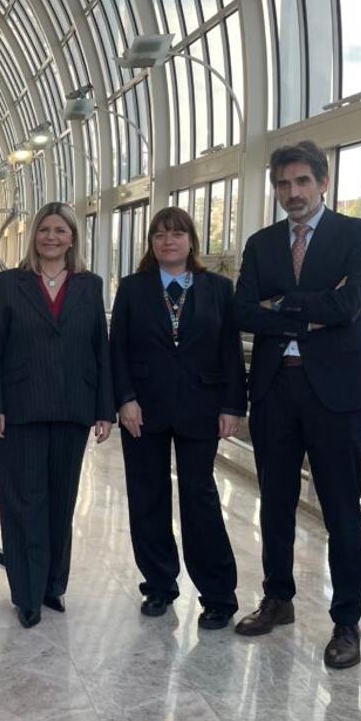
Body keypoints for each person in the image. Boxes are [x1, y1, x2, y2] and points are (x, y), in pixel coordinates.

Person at [234, 140, 361, 669]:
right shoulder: (261, 243)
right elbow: (244, 313)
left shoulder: (356, 235)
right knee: (273, 501)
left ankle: (347, 622)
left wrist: (283, 303)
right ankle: (278, 599)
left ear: (323, 182)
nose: (292, 193)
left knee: (341, 508)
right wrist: (309, 312)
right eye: (283, 184)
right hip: (277, 387)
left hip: (340, 391)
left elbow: (349, 305)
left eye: (302, 181)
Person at [110, 207, 245, 630]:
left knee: (200, 498)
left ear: (192, 241)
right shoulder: (132, 289)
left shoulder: (218, 288)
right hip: (143, 409)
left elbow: (230, 351)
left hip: (200, 406)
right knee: (147, 496)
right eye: (160, 234)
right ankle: (159, 585)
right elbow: (118, 350)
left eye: (177, 233)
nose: (168, 241)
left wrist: (232, 406)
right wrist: (125, 400)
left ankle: (218, 595)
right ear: (150, 243)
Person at [0, 202, 114, 629]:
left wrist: (104, 410)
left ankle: (53, 585)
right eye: (44, 230)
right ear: (33, 236)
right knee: (23, 504)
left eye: (60, 230)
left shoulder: (89, 286)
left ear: (72, 238)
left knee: (61, 501)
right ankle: (27, 593)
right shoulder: (10, 283)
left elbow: (101, 350)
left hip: (73, 409)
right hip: (21, 410)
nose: (51, 237)